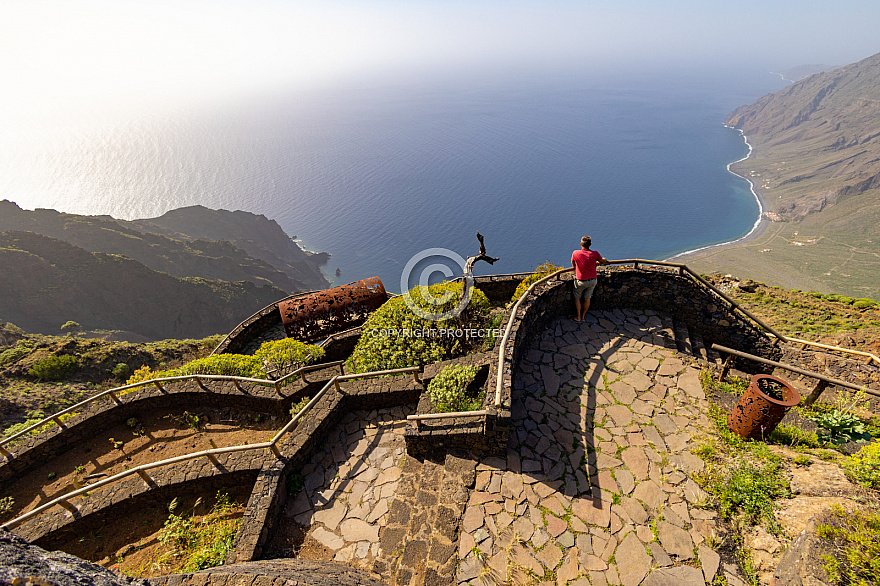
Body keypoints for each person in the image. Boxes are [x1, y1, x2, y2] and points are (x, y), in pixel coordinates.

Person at [571, 236, 608, 322]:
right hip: (592, 280)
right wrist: (604, 259)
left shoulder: (575, 253)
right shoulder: (595, 253)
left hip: (580, 280)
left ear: (581, 244)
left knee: (577, 298)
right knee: (587, 298)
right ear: (590, 245)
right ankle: (583, 316)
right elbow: (602, 261)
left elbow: (573, 264)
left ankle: (578, 317)